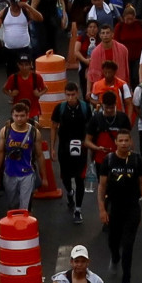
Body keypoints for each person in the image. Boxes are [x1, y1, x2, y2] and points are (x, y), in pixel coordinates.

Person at [98, 127, 142, 283]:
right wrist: (102, 210)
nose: (124, 143)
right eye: (121, 140)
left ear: (131, 142)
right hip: (114, 207)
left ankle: (126, 281)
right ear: (116, 143)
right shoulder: (109, 160)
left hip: (132, 207)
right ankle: (114, 258)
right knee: (113, 241)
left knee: (128, 245)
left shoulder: (136, 160)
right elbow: (102, 186)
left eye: (127, 140)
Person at [0, 99, 40, 214]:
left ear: (28, 116)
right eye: (16, 115)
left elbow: (40, 155)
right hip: (9, 173)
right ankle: (14, 228)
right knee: (12, 205)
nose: (19, 118)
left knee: (24, 207)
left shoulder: (34, 132)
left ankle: (26, 228)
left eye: (22, 116)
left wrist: (45, 177)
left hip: (27, 174)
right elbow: (0, 152)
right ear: (12, 116)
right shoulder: (6, 131)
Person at [55, 83, 94, 219]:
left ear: (77, 93)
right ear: (65, 94)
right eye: (68, 95)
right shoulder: (60, 108)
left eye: (73, 94)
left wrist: (90, 145)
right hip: (64, 149)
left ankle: (78, 210)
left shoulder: (84, 108)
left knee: (79, 179)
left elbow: (91, 128)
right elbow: (53, 126)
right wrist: (52, 147)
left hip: (81, 148)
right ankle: (70, 193)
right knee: (65, 177)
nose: (70, 97)